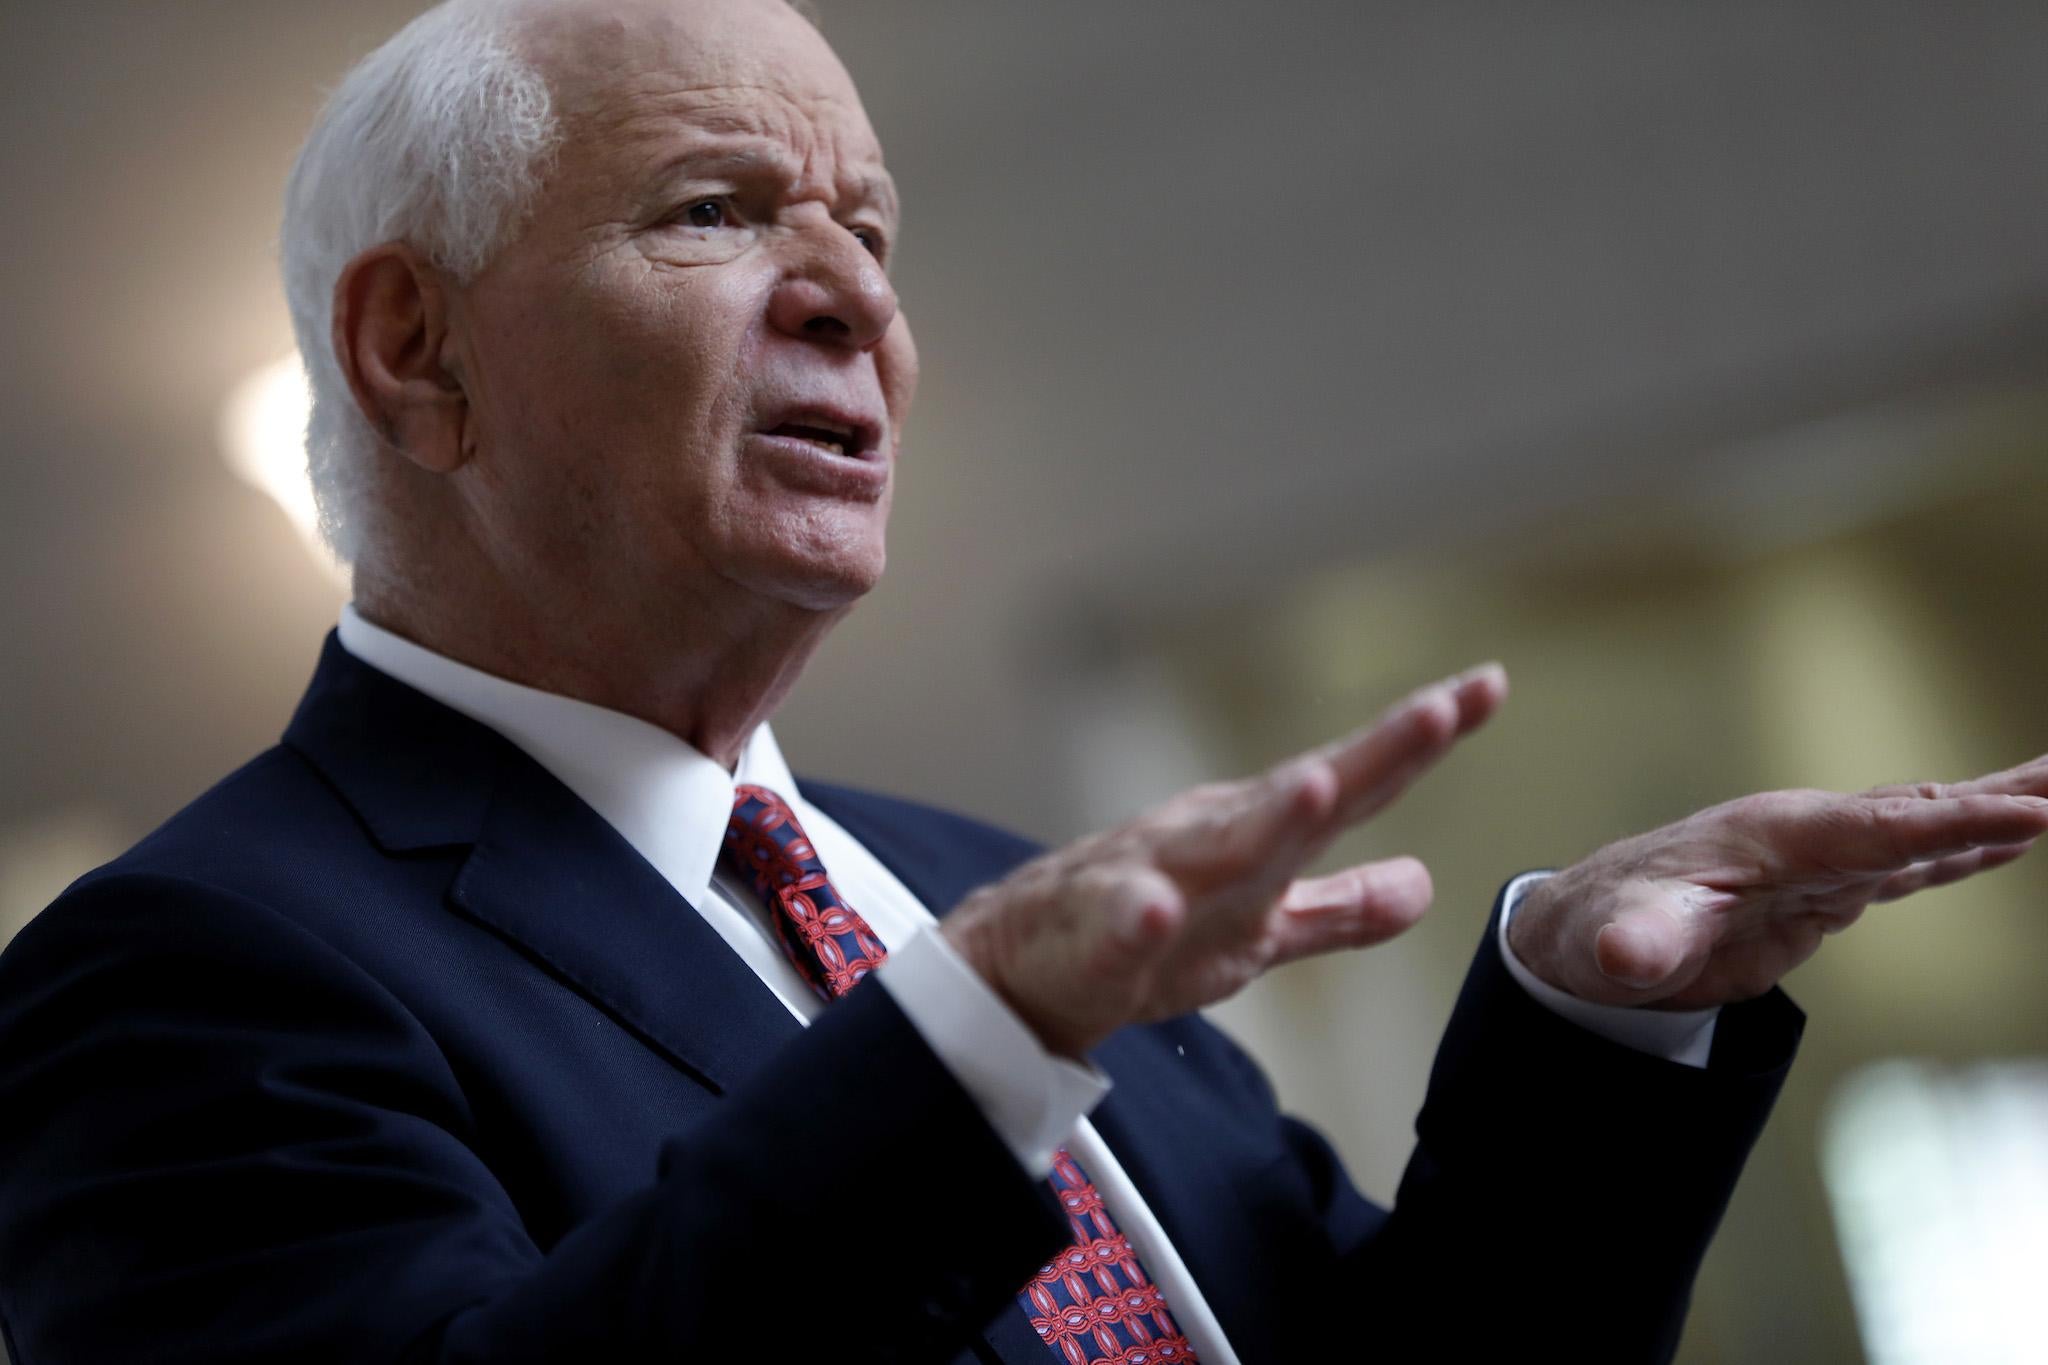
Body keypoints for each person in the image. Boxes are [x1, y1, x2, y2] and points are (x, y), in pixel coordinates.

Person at [3, 1, 2045, 1361]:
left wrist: (1596, 1018)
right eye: (717, 211)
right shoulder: (189, 972)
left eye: (873, 232)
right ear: (412, 352)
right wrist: (973, 1042)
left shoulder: (999, 890)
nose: (857, 299)